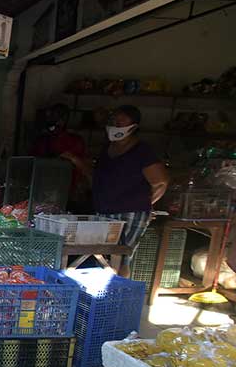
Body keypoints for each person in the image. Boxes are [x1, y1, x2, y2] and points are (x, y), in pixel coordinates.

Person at [63, 105, 170, 278]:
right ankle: (106, 294)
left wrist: (144, 205)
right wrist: (76, 161)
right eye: (113, 121)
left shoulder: (142, 151)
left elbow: (161, 182)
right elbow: (96, 177)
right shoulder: (108, 149)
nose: (115, 125)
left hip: (130, 214)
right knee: (104, 257)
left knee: (121, 258)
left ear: (134, 126)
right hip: (104, 210)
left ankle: (118, 295)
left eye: (120, 122)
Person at [30, 103, 89, 211]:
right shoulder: (41, 141)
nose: (55, 120)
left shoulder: (75, 141)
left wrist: (78, 188)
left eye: (59, 117)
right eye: (51, 116)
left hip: (66, 191)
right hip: (42, 189)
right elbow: (32, 163)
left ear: (65, 120)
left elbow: (81, 167)